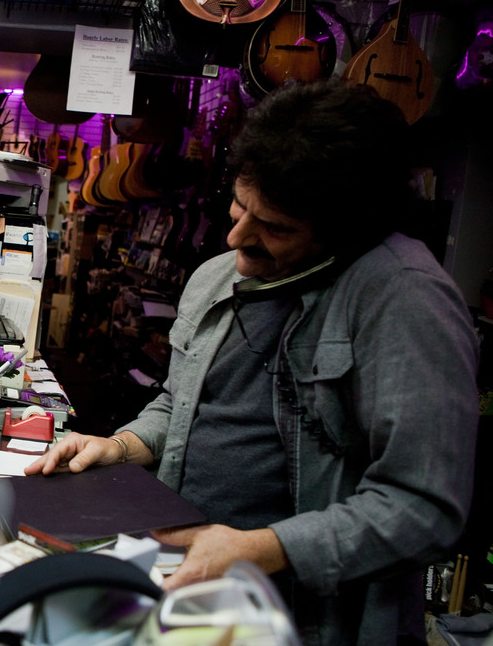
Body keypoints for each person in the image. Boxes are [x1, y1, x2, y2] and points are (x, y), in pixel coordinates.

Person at [26, 80, 479, 646]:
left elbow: (424, 506)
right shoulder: (218, 275)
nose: (238, 239)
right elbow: (183, 402)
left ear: (349, 228)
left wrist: (263, 548)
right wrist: (118, 446)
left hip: (306, 618)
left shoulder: (405, 298)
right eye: (238, 209)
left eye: (276, 228)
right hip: (184, 584)